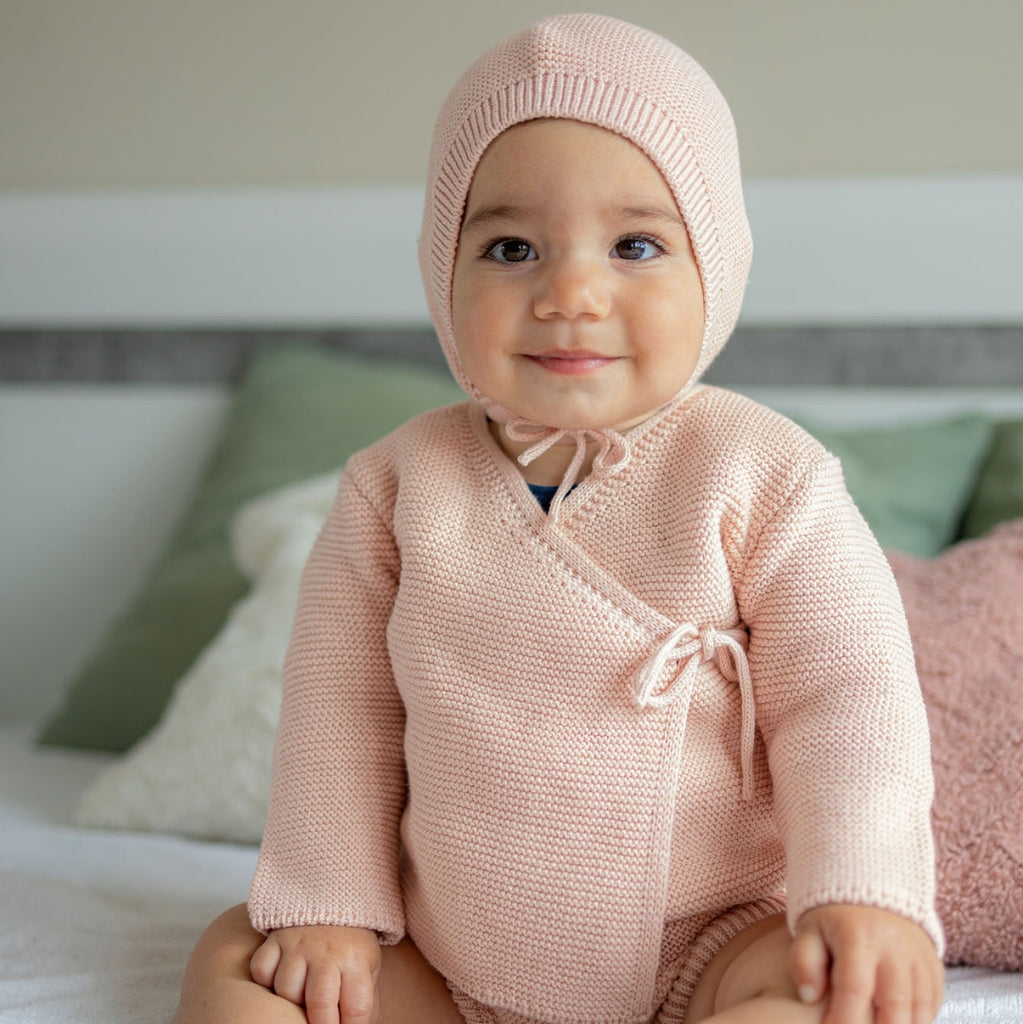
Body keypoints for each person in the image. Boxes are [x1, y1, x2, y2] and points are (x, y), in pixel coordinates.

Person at [174, 13, 944, 1024]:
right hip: (448, 954)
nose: (570, 291)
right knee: (242, 954)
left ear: (715, 265)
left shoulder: (768, 474)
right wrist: (331, 905)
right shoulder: (395, 486)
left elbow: (849, 702)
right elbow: (342, 715)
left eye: (634, 244)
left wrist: (861, 892)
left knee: (837, 996)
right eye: (508, 246)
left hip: (708, 946)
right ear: (441, 275)